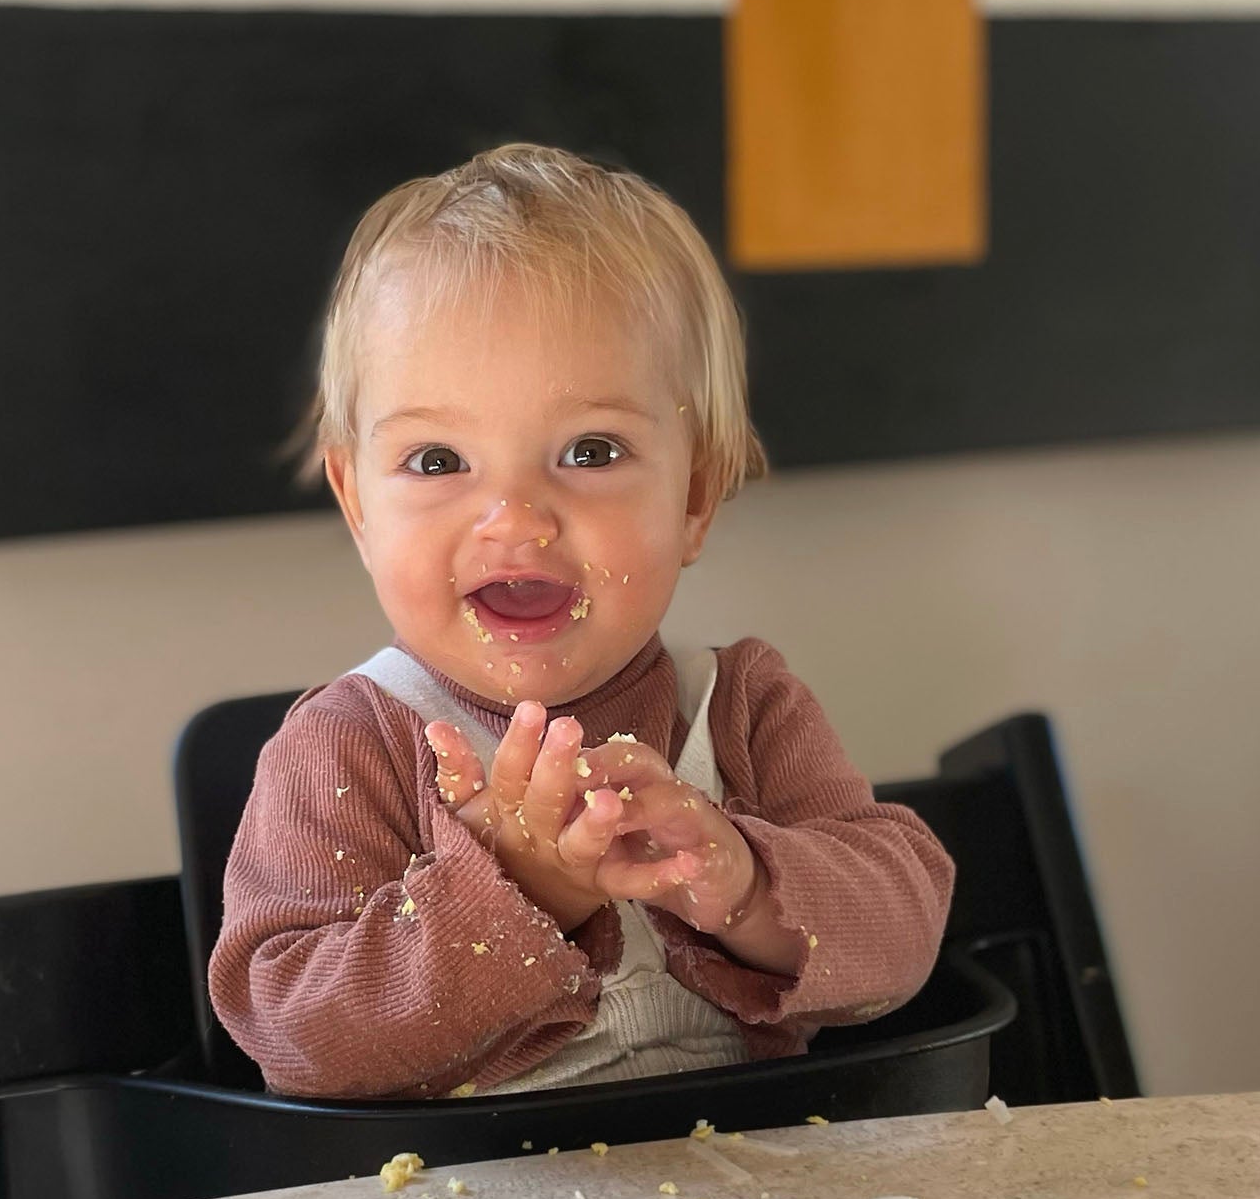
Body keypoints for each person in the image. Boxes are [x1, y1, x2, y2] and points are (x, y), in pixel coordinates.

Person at [209, 144, 953, 1098]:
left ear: (693, 499)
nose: (514, 518)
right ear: (357, 504)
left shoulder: (738, 707)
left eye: (589, 450)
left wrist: (747, 886)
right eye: (438, 461)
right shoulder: (346, 750)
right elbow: (294, 1034)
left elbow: (903, 932)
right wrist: (518, 891)